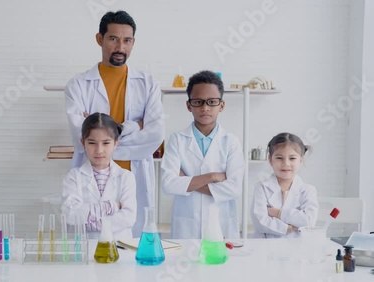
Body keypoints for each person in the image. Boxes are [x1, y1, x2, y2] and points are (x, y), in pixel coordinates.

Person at [65, 10, 164, 237]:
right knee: (90, 240)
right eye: (113, 39)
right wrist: (135, 126)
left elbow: (155, 135)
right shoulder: (78, 85)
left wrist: (102, 138)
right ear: (100, 39)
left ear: (133, 42)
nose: (121, 47)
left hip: (133, 175)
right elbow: (79, 137)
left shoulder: (148, 84)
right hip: (92, 175)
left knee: (133, 246)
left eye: (127, 40)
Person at [161, 70, 244, 239]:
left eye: (212, 102)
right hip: (187, 227)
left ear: (221, 105)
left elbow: (234, 189)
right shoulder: (177, 140)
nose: (205, 108)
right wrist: (212, 176)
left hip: (222, 224)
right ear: (188, 105)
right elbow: (168, 185)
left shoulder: (231, 141)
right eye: (198, 102)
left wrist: (186, 181)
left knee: (222, 264)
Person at [61, 113, 137, 240]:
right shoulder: (74, 176)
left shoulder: (126, 177)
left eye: (106, 143)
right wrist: (111, 206)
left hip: (118, 246)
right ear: (83, 142)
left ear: (116, 143)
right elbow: (70, 214)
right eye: (92, 143)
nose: (99, 150)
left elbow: (128, 218)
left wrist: (89, 221)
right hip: (84, 248)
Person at [251, 132, 319, 238]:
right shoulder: (262, 187)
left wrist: (277, 213)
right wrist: (290, 228)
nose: (286, 163)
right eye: (279, 158)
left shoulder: (308, 190)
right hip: (265, 247)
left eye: (292, 158)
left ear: (301, 160)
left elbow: (309, 221)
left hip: (296, 248)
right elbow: (260, 221)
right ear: (270, 160)